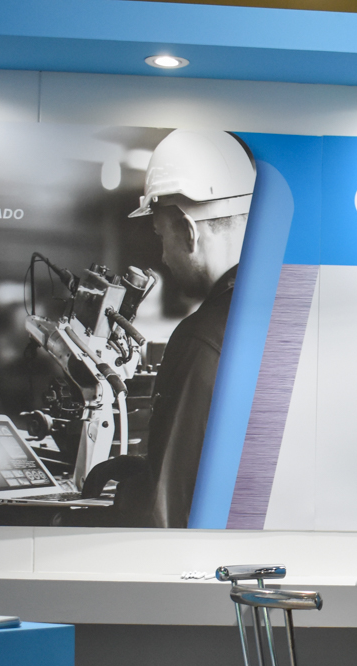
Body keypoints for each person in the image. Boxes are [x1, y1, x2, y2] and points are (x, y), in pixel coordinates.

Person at [128, 129, 255, 527]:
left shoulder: (202, 338)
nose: (163, 256)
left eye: (162, 236)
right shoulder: (283, 312)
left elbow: (168, 508)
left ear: (188, 230)